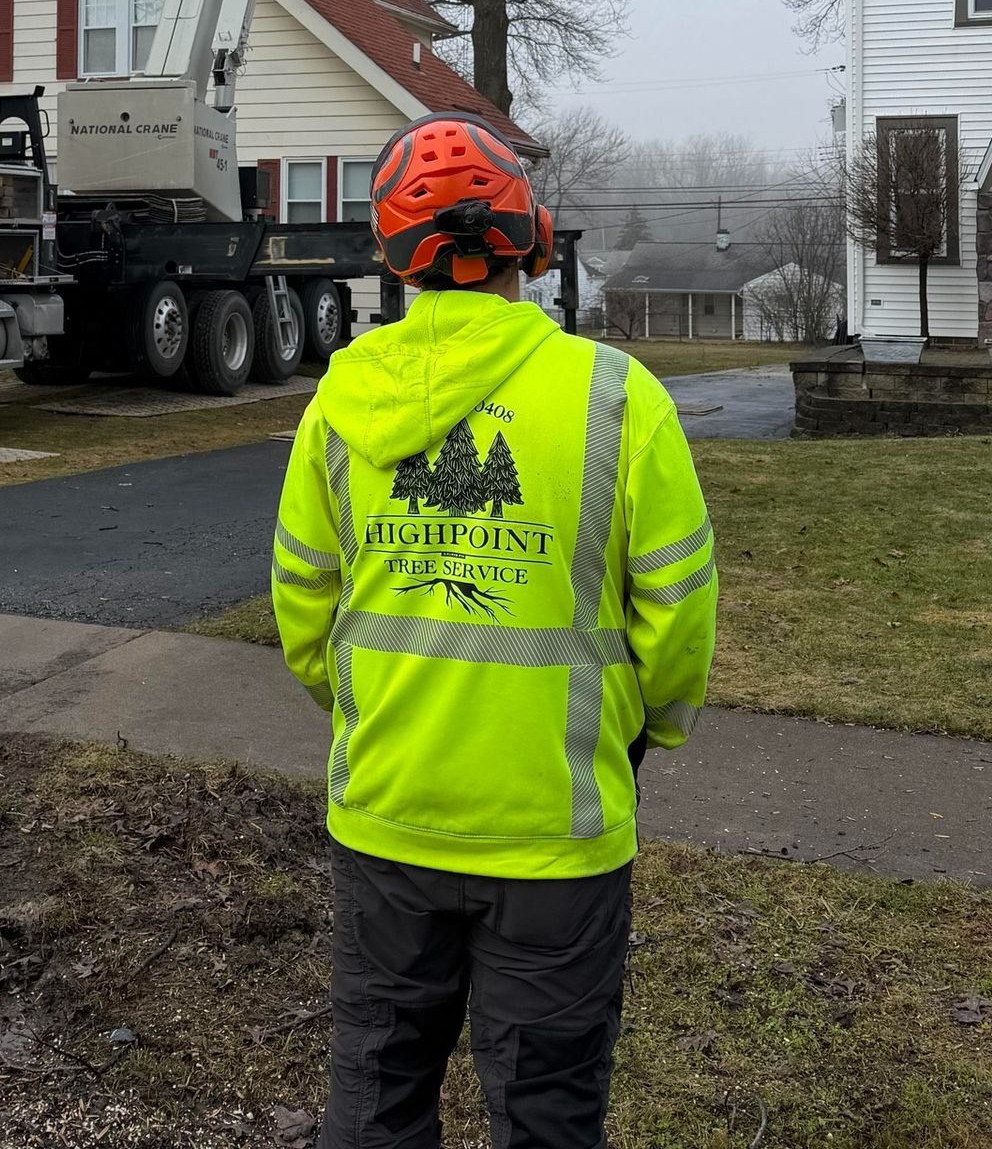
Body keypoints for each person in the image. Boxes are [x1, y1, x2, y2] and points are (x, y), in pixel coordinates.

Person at [272, 114, 718, 1149]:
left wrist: (372, 715)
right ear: (529, 238)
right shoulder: (617, 397)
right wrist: (649, 728)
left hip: (389, 810)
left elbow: (304, 606)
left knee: (377, 1093)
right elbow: (680, 612)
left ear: (394, 256)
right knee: (546, 1111)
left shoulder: (341, 401)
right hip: (557, 829)